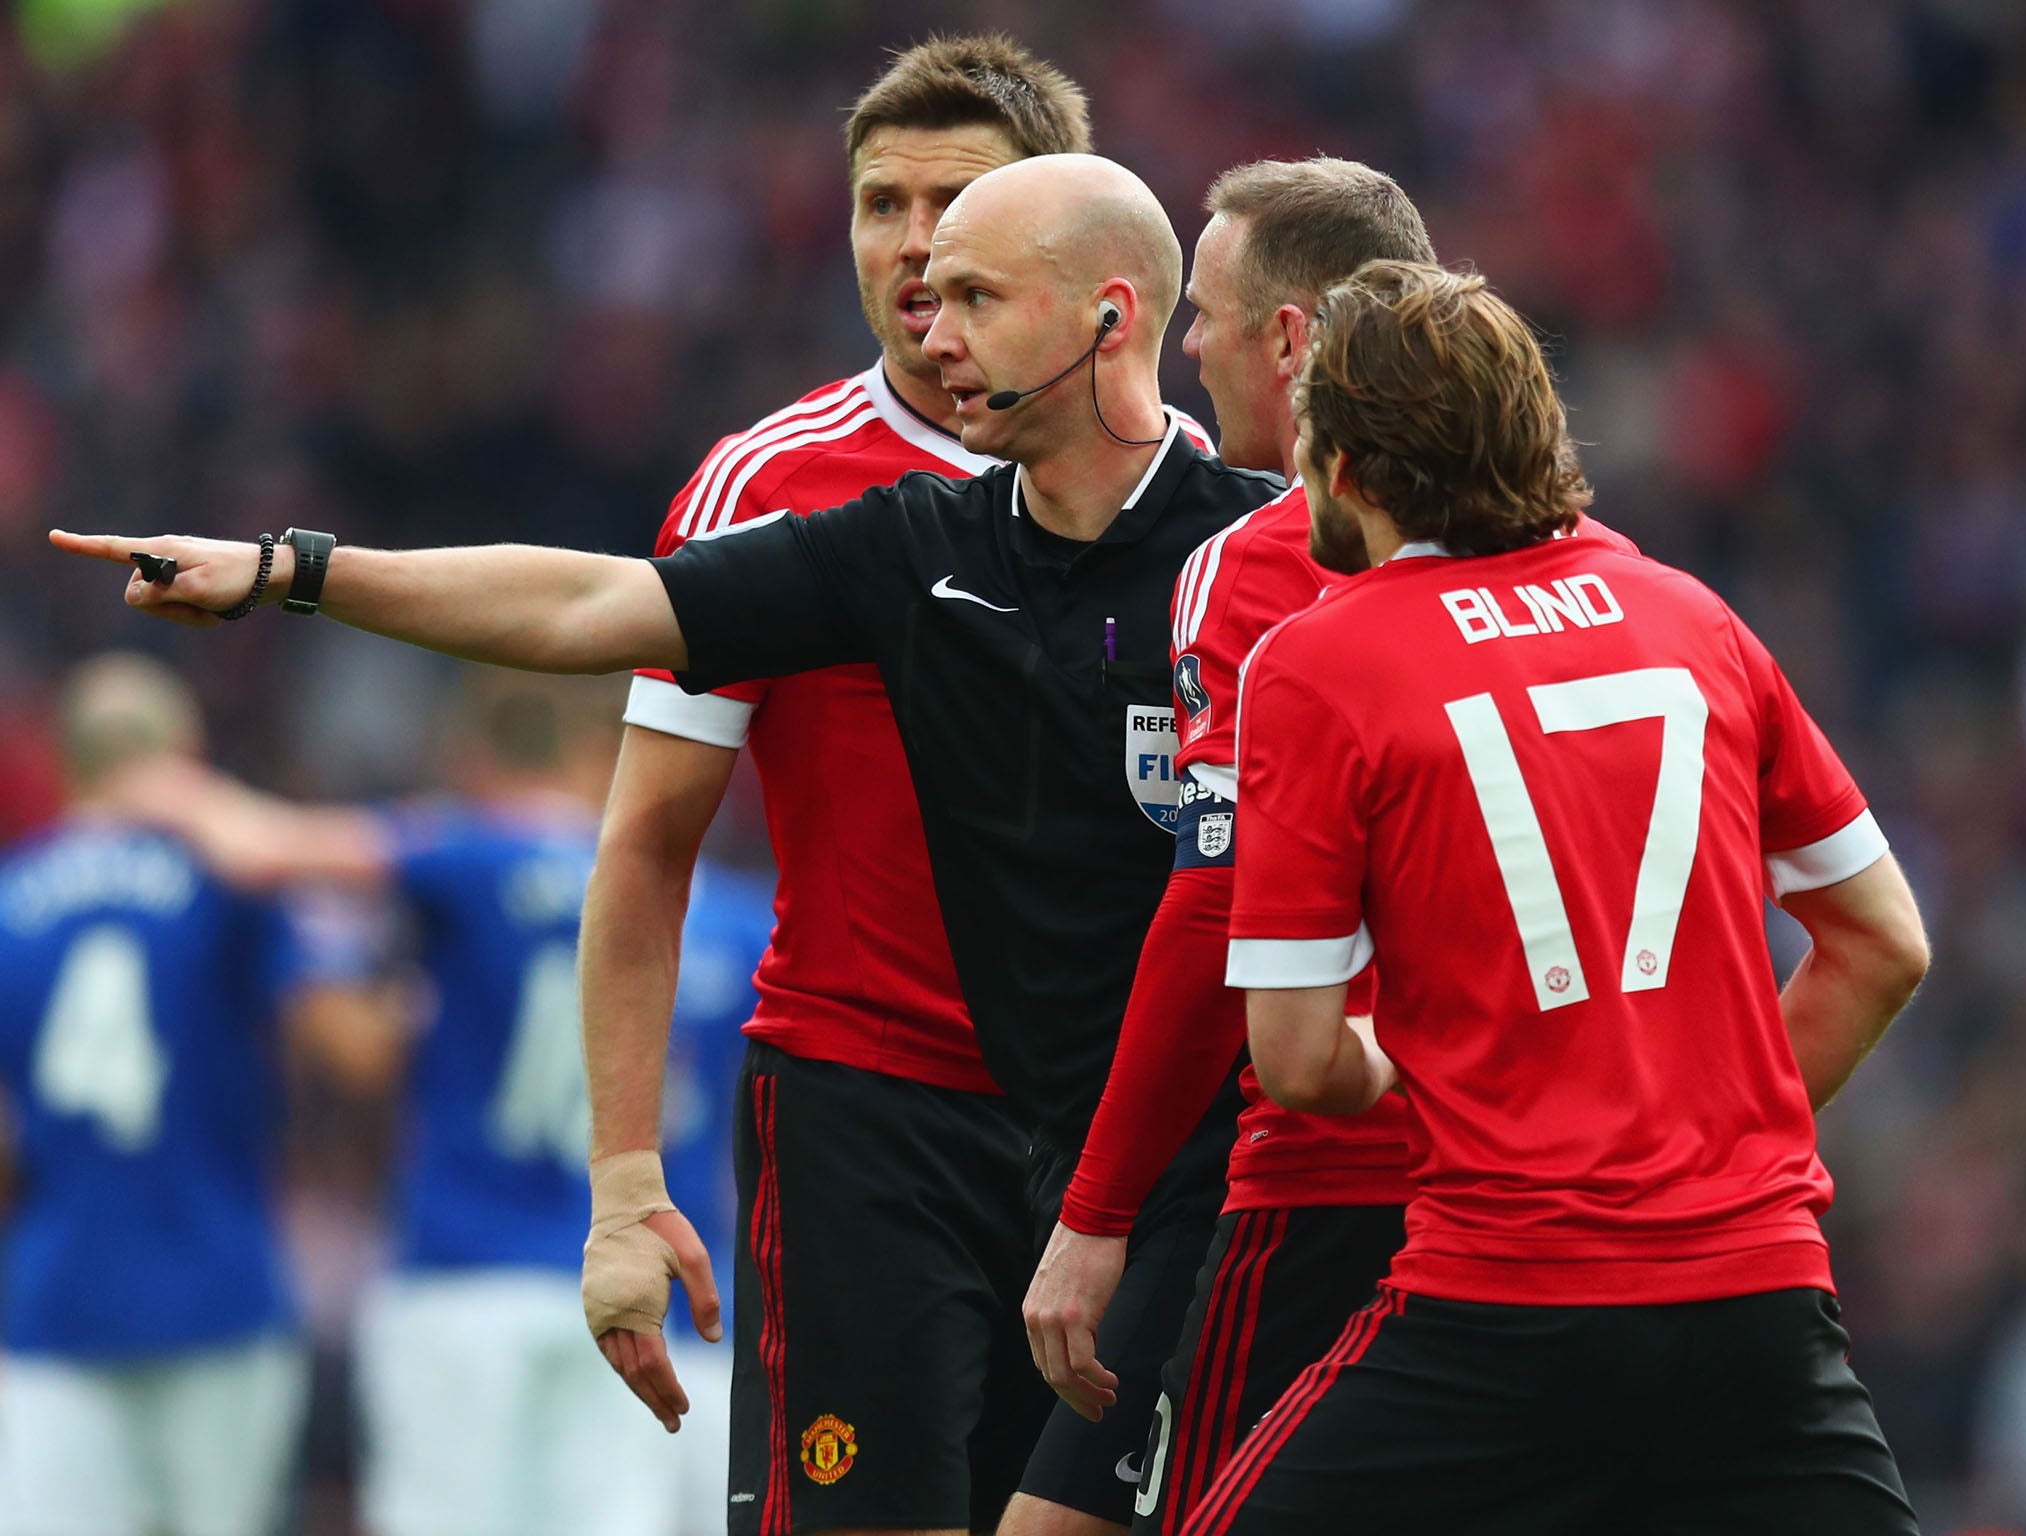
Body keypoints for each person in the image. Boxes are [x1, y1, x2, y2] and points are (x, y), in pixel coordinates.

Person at [52, 151, 1279, 1536]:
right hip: (984, 1150)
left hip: (1213, 1173)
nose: (931, 335)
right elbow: (591, 607)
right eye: (927, 295)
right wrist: (295, 572)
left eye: (976, 300)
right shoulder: (911, 546)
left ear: (1108, 319)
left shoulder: (1266, 552)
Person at [1178, 260, 1929, 1534]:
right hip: (1754, 1304)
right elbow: (1882, 945)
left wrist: (1422, 1078)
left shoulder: (1315, 661)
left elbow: (1297, 1058)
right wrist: (1689, 1142)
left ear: (1344, 465)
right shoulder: (1688, 618)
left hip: (1501, 1309)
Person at [1023, 157, 1640, 1534]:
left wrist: (1098, 1207)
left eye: (1210, 315)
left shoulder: (1254, 572)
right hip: (1560, 1198)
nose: (1189, 349)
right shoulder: (1606, 579)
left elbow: (1211, 913)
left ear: (1292, 342)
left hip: (1327, 1189)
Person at [583, 35, 1098, 1536]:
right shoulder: (770, 480)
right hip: (868, 1120)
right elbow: (644, 850)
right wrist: (624, 1177)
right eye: (882, 202)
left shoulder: (1179, 490)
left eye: (958, 200)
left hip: (1112, 1134)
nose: (916, 243)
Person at [123, 672, 770, 1536]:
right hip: (650, 1302)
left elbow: (262, 851)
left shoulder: (469, 853)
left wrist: (160, 786)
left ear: (472, 763)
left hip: (463, 1277)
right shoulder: (727, 915)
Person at [0, 653, 370, 1536]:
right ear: (185, 757)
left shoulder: (10, 898)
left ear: (62, 762)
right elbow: (347, 1047)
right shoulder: (235, 884)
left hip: (57, 1293)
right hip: (222, 1284)